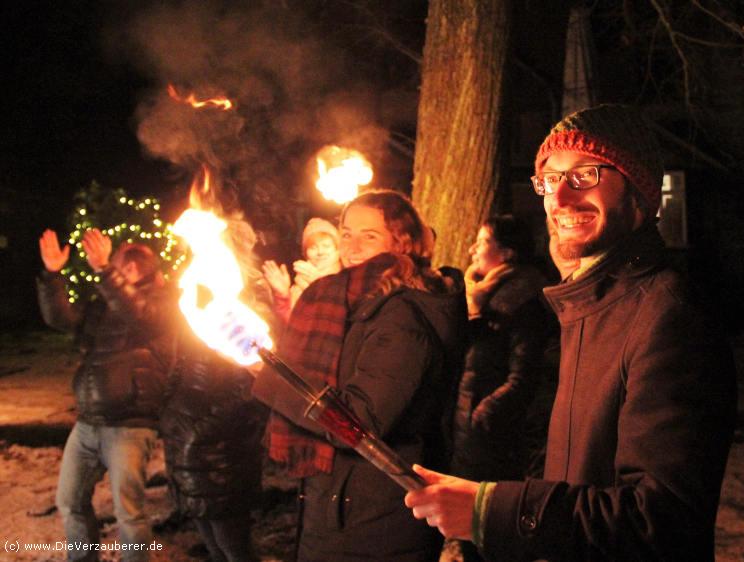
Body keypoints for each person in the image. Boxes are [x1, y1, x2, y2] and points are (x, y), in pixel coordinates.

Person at [404, 104, 737, 561]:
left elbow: (661, 518)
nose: (559, 199)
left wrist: (490, 511)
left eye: (584, 176)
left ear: (638, 192)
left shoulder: (667, 314)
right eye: (548, 180)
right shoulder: (589, 306)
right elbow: (577, 474)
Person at [250, 189, 465, 562]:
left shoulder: (401, 316)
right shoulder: (353, 305)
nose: (351, 246)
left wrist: (274, 379)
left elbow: (359, 421)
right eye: (346, 233)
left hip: (376, 518)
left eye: (369, 236)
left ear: (404, 242)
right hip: (341, 504)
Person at [37, 228, 173, 562]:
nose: (108, 266)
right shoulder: (103, 303)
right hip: (87, 423)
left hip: (129, 425)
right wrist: (52, 276)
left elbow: (137, 312)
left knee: (128, 513)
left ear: (136, 270)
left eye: (117, 264)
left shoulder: (162, 303)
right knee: (69, 501)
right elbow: (61, 319)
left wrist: (103, 271)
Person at [159, 218, 270, 562]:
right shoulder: (201, 306)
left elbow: (253, 388)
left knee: (233, 545)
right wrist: (174, 417)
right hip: (189, 442)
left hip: (219, 450)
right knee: (213, 544)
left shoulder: (250, 309)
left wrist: (199, 432)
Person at [447, 216, 553, 562]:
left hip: (497, 431)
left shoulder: (522, 300)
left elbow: (525, 372)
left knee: (492, 524)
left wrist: (487, 410)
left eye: (482, 242)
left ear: (506, 253)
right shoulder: (479, 294)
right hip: (470, 422)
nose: (472, 249)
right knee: (468, 520)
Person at [261, 217, 340, 322]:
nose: (320, 252)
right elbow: (290, 321)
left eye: (326, 246)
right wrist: (283, 296)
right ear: (305, 253)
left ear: (337, 248)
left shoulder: (345, 276)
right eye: (313, 247)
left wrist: (321, 288)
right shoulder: (300, 281)